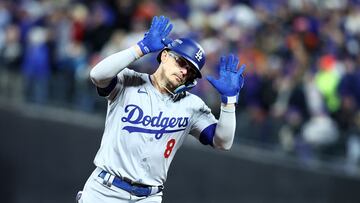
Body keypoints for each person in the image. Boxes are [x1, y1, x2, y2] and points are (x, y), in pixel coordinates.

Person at [77, 16, 246, 203]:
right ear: (165, 55)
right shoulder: (129, 81)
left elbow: (223, 142)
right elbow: (97, 75)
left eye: (190, 71)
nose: (184, 72)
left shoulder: (191, 105)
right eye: (182, 63)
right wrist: (140, 48)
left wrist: (228, 103)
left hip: (149, 196)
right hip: (105, 190)